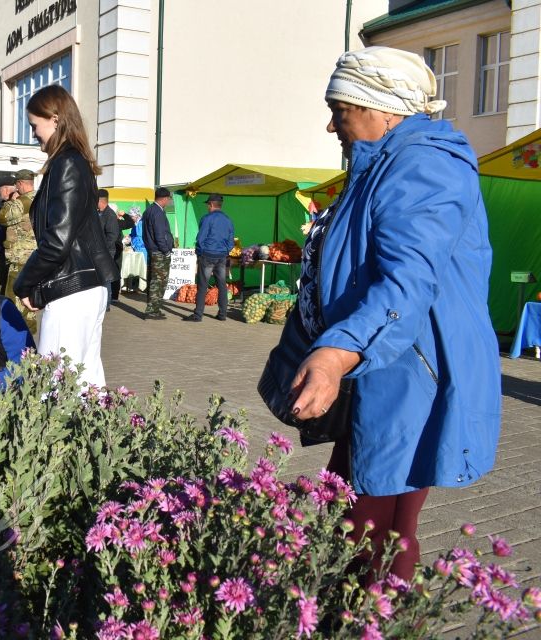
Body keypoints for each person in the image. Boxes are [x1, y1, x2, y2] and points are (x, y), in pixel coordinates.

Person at [286, 46, 501, 581]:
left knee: (362, 530)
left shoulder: (423, 167)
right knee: (380, 523)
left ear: (382, 110)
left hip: (411, 368)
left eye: (340, 111)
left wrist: (335, 355)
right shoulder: (391, 161)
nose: (332, 124)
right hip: (391, 365)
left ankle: (372, 620)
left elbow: (406, 281)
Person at [13, 85, 118, 387]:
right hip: (85, 286)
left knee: (54, 387)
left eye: (35, 125)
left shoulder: (67, 163)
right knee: (85, 384)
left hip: (71, 289)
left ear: (55, 119)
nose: (33, 133)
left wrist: (24, 283)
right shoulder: (76, 162)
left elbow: (57, 242)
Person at [0, 169, 38, 333]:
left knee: (15, 299)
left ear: (21, 183)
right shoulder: (41, 198)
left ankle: (19, 335)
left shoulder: (23, 201)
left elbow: (3, 217)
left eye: (17, 185)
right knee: (29, 299)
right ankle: (28, 334)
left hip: (21, 258)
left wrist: (11, 201)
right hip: (34, 256)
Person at [184, 193, 234, 322]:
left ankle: (198, 315)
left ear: (211, 204)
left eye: (208, 204)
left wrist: (200, 252)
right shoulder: (228, 220)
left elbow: (201, 238)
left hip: (207, 255)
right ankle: (223, 314)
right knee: (222, 285)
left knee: (202, 285)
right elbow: (231, 242)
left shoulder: (207, 219)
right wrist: (225, 251)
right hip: (222, 256)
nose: (207, 207)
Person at [141, 187, 174, 319]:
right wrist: (166, 251)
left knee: (154, 280)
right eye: (168, 199)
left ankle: (154, 308)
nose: (168, 201)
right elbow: (160, 235)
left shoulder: (148, 210)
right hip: (159, 252)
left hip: (152, 250)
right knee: (159, 282)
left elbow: (145, 233)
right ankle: (152, 310)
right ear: (165, 198)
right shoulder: (158, 213)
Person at [97, 189, 121, 308]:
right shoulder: (100, 213)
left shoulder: (109, 215)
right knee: (101, 278)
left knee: (105, 278)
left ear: (100, 201)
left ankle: (106, 303)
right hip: (100, 251)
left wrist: (103, 249)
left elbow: (112, 235)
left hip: (106, 252)